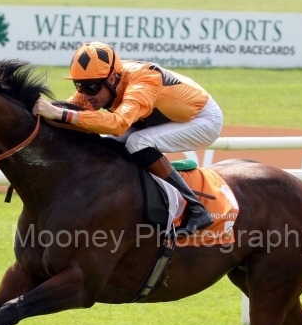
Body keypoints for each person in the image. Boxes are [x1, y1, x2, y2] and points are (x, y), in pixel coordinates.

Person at [32, 41, 224, 236]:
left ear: (112, 79)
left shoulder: (144, 80)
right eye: (79, 86)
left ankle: (196, 208)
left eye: (90, 87)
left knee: (137, 142)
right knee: (109, 144)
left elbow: (118, 124)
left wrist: (61, 114)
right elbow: (66, 109)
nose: (85, 95)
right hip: (156, 119)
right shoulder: (99, 83)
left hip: (202, 120)